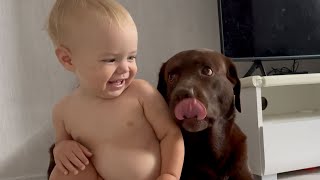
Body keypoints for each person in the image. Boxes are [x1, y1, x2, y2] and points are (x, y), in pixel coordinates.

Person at [46, 0, 184, 179]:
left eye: (131, 57)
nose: (125, 68)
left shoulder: (141, 94)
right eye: (110, 60)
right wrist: (62, 149)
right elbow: (62, 144)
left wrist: (170, 174)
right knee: (65, 172)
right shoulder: (63, 111)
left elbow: (170, 134)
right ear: (68, 60)